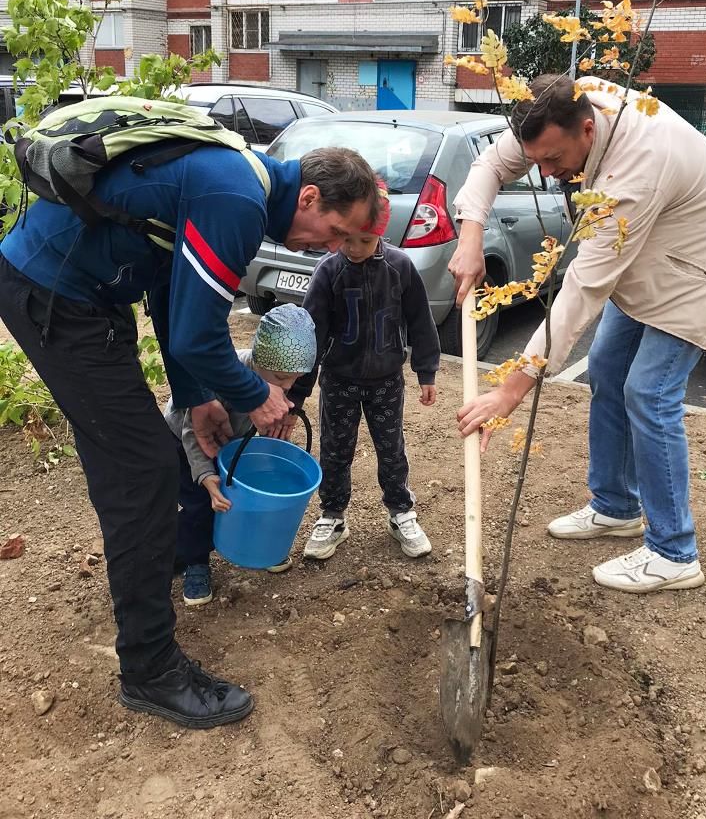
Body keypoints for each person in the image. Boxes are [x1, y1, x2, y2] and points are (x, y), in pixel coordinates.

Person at [0, 141, 380, 727]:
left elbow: (170, 292)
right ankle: (149, 670)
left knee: (131, 462)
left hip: (86, 295)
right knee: (145, 471)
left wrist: (198, 396)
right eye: (334, 231)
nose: (331, 249)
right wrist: (259, 396)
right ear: (308, 196)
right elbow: (197, 338)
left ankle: (143, 597)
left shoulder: (238, 182)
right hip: (55, 292)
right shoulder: (237, 200)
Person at [450, 74, 706, 594]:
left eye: (553, 160)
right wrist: (472, 233)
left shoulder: (635, 169)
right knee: (608, 372)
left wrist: (511, 388)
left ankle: (674, 551)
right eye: (538, 159)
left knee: (649, 392)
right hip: (650, 249)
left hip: (700, 259)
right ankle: (615, 506)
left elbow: (583, 289)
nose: (546, 174)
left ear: (587, 131)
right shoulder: (562, 105)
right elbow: (494, 163)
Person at [295, 182, 440, 561]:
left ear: (380, 232)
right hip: (340, 380)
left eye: (364, 240)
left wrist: (426, 371)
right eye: (347, 240)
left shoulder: (401, 267)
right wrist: (299, 391)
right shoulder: (328, 272)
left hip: (386, 382)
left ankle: (400, 512)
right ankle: (333, 516)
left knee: (391, 450)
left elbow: (421, 322)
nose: (354, 249)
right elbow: (311, 333)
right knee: (335, 451)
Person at [166, 303, 317, 605]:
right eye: (280, 378)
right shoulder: (223, 376)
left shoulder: (277, 380)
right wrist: (207, 475)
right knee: (201, 505)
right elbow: (191, 432)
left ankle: (262, 546)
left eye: (295, 380)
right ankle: (193, 562)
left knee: (248, 494)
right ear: (258, 359)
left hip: (231, 443)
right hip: (185, 444)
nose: (286, 386)